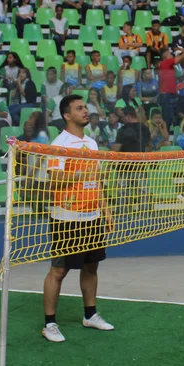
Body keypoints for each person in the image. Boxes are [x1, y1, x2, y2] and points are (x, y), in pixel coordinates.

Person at [41, 95, 116, 343]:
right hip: (67, 216)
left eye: (85, 107)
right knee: (59, 270)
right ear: (67, 115)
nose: (85, 111)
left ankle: (90, 315)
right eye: (79, 108)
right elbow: (54, 180)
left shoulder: (92, 144)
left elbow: (96, 181)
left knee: (91, 266)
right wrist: (82, 172)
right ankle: (49, 323)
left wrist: (105, 209)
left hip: (92, 215)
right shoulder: (59, 144)